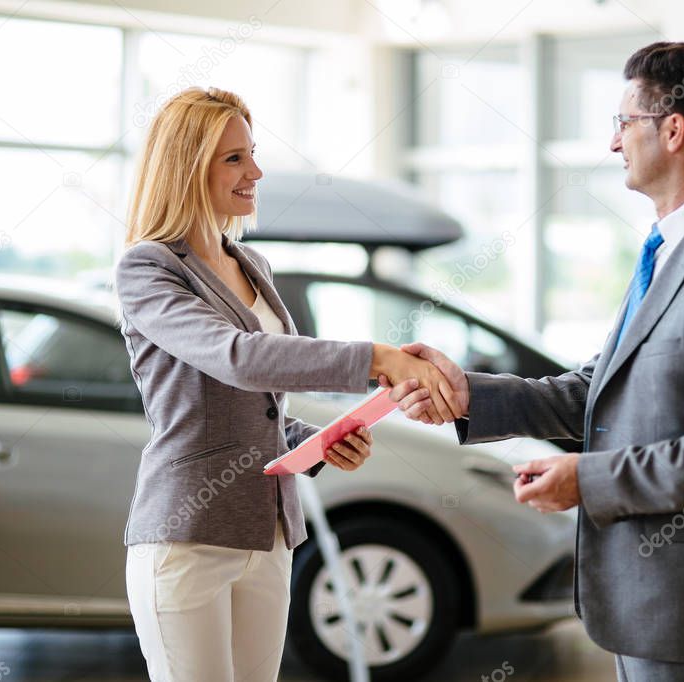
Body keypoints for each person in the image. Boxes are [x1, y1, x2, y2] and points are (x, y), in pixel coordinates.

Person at [386, 42, 684, 682]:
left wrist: (589, 480)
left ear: (673, 130)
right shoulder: (667, 251)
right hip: (648, 600)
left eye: (623, 123)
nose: (614, 145)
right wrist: (467, 393)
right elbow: (597, 391)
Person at [115, 86, 461, 682]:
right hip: (188, 535)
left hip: (268, 533)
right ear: (186, 166)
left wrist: (318, 441)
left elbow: (252, 404)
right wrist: (375, 357)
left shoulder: (251, 263)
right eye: (234, 158)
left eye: (252, 153)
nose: (256, 171)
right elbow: (239, 359)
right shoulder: (148, 268)